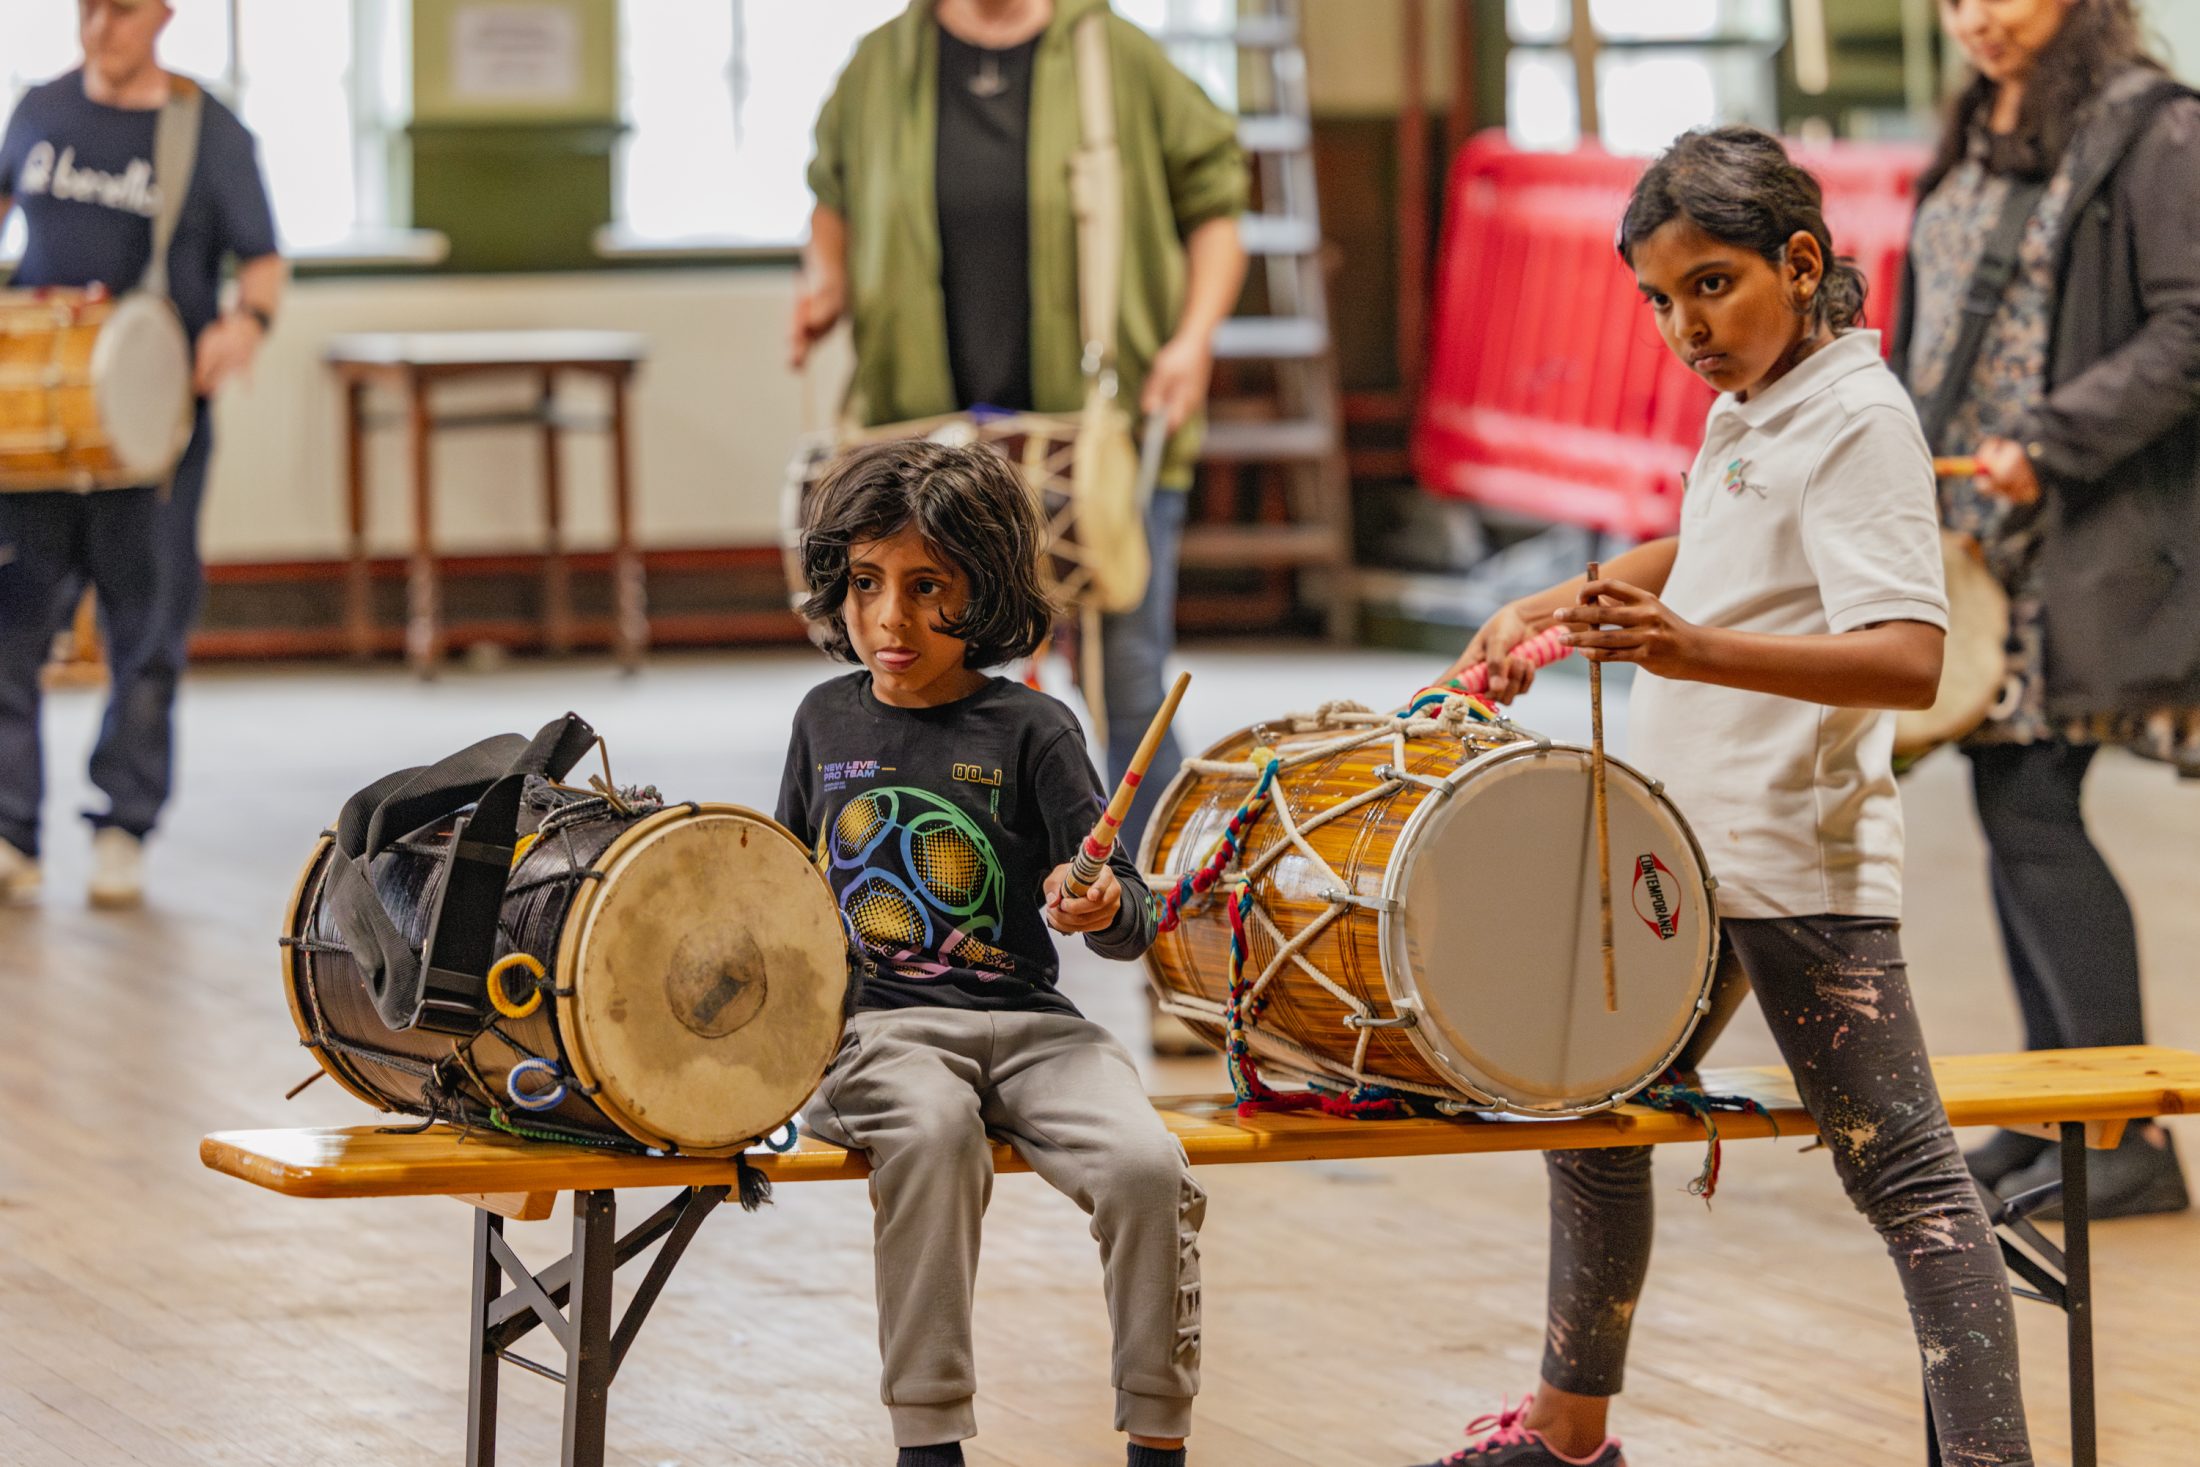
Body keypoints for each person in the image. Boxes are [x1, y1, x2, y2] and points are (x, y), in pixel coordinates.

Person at [1406, 128, 2034, 1467]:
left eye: (1712, 285)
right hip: (1687, 857)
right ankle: (1570, 1433)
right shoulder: (1759, 407)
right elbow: (1731, 536)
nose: (1684, 324)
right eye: (1658, 298)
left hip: (1794, 869)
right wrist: (1561, 602)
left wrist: (1692, 647)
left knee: (1912, 1180)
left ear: (1801, 263)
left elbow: (1909, 660)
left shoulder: (1862, 418)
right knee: (1587, 1108)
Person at [779, 440, 1203, 1467]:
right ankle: (928, 1442)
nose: (890, 619)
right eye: (866, 583)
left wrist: (1098, 899)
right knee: (929, 1134)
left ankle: (1159, 1438)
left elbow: (1134, 912)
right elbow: (779, 886)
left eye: (929, 588)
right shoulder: (824, 718)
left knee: (1150, 1169)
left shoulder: (1034, 727)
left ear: (989, 589)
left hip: (1033, 1033)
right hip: (880, 1033)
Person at [789, 0, 1248, 863]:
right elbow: (833, 202)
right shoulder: (881, 65)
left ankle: (1155, 893)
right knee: (917, 667)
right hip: (927, 443)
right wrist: (826, 286)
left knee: (1128, 676)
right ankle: (931, 877)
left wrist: (1192, 342)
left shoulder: (1117, 57)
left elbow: (1218, 207)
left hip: (1100, 429)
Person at [1892, 0, 2196, 1219]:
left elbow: (2190, 329)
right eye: (1954, 0)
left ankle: (2123, 1138)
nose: (1974, 20)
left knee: (2032, 808)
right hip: (1973, 531)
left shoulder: (2153, 127)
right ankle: (2058, 1116)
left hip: (2069, 529)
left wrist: (2051, 443)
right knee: (2009, 809)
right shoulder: (1980, 118)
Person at [0, 0, 285, 907]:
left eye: (118, 12)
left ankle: (124, 822)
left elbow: (264, 262)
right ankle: (11, 830)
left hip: (154, 434)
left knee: (146, 631)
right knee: (8, 629)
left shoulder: (208, 133)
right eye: (86, 10)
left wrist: (246, 324)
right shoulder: (38, 110)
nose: (97, 29)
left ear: (162, 14)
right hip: (34, 437)